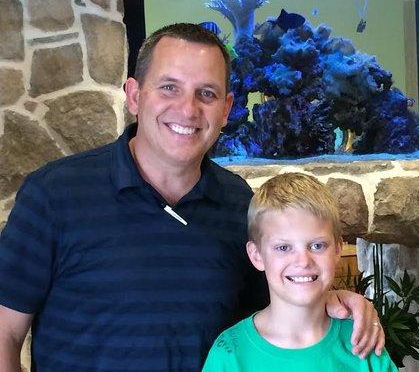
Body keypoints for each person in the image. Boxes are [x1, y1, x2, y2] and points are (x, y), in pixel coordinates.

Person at [0, 23, 384, 372]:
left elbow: (276, 307)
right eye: (169, 87)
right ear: (134, 96)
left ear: (226, 109)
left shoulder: (238, 204)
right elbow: (5, 335)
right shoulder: (54, 195)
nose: (187, 109)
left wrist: (337, 301)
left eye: (207, 93)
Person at [202, 173, 396, 371]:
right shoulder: (229, 354)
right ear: (257, 255)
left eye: (318, 245)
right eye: (283, 248)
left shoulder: (362, 344)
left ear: (338, 249)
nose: (303, 261)